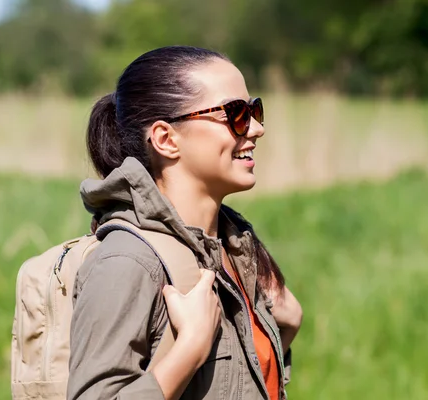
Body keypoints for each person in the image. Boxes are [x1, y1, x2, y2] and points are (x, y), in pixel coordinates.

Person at [68, 45, 303, 400]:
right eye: (235, 113)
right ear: (166, 139)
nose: (256, 128)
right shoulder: (128, 262)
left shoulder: (234, 249)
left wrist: (285, 326)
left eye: (254, 109)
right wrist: (189, 349)